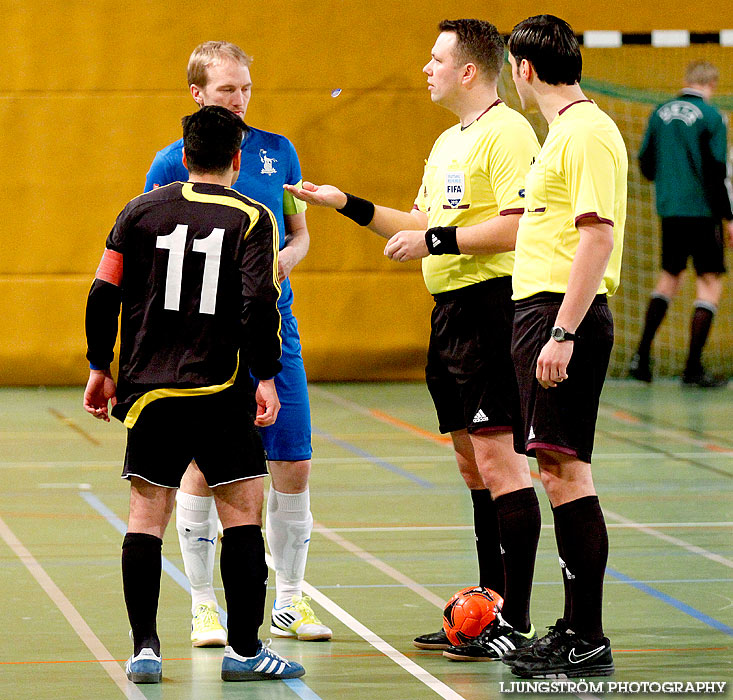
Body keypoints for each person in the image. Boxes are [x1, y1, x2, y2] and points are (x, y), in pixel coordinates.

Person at [286, 19, 542, 662]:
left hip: (491, 308)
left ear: (468, 71)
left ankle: (517, 616)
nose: (425, 68)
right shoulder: (447, 142)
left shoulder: (509, 132)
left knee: (500, 463)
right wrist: (344, 202)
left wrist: (434, 241)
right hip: (449, 312)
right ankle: (487, 609)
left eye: (436, 58)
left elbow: (517, 227)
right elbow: (423, 220)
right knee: (471, 465)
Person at [83, 106, 305, 683]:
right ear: (236, 159)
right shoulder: (253, 218)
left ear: (183, 157)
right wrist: (265, 374)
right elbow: (258, 304)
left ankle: (145, 650)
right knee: (241, 515)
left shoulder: (139, 211)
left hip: (149, 388)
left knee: (144, 515)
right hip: (221, 387)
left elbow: (102, 292)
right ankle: (245, 650)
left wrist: (98, 365)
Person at [145, 41, 331, 646]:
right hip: (205, 341)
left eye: (246, 88)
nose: (241, 100)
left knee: (293, 462)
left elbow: (301, 235)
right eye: (228, 90)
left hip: (273, 327)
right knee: (204, 467)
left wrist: (282, 261)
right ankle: (203, 605)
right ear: (198, 94)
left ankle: (292, 601)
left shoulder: (278, 151)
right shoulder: (171, 163)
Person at [500, 15, 627, 678]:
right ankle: (576, 627)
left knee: (566, 472)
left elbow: (596, 238)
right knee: (554, 471)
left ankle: (587, 636)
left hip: (560, 315)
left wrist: (561, 331)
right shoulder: (563, 135)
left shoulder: (584, 133)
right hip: (539, 313)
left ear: (523, 68)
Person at [629, 60, 732, 387]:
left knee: (668, 279)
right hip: (702, 212)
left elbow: (645, 162)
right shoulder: (714, 117)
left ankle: (641, 359)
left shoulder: (659, 112)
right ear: (712, 84)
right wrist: (728, 217)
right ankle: (692, 367)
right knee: (710, 283)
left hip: (670, 211)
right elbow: (717, 171)